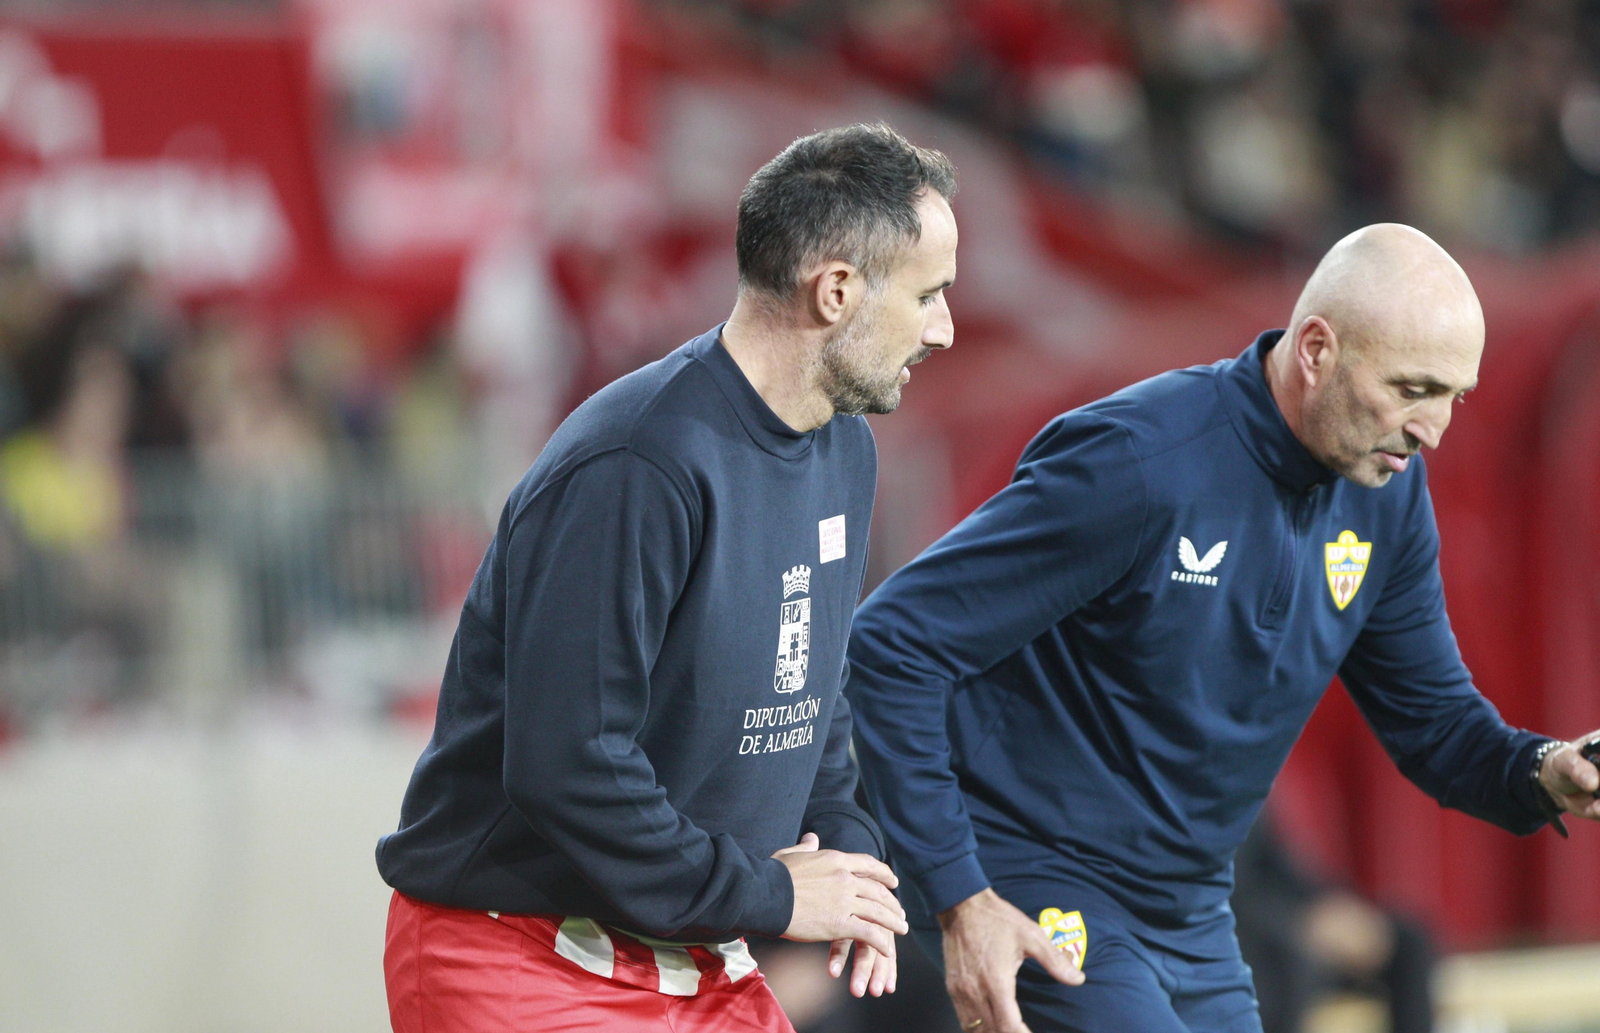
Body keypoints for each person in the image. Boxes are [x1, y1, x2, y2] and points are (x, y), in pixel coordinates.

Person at [845, 223, 1600, 1033]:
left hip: (1195, 907)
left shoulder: (1387, 497)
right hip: (1034, 872)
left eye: (1456, 396)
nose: (1434, 429)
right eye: (1413, 388)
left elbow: (1436, 723)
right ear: (1316, 350)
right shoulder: (1140, 461)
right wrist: (960, 896)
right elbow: (893, 643)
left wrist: (1542, 768)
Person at [375, 122, 958, 1033]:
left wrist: (848, 858)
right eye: (929, 296)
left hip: (697, 963)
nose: (944, 328)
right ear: (836, 291)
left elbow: (812, 690)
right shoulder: (638, 463)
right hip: (520, 961)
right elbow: (567, 761)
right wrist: (768, 892)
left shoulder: (846, 450)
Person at [1232, 808, 1435, 1033]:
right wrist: (1300, 921)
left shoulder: (1244, 790)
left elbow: (1278, 866)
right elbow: (1225, 893)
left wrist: (1329, 905)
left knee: (1407, 940)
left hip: (1294, 919)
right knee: (1286, 960)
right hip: (1249, 935)